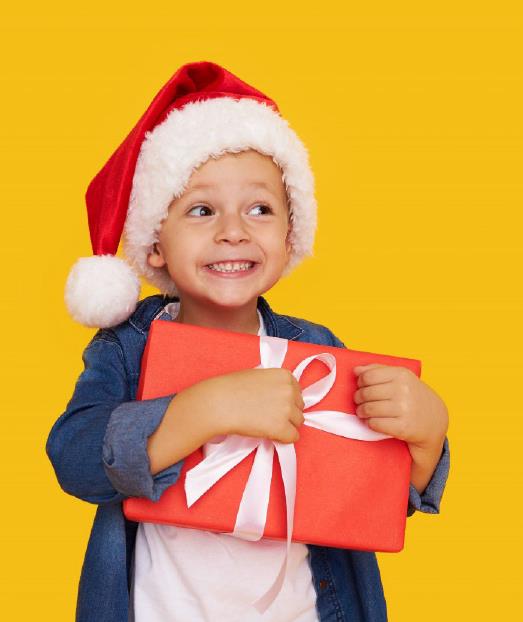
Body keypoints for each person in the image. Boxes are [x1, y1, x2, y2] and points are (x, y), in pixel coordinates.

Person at [46, 61, 451, 622]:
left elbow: (362, 500)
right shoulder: (126, 348)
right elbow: (75, 459)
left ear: (289, 236)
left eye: (259, 209)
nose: (233, 230)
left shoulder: (318, 355)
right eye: (202, 210)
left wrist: (426, 441)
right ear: (155, 244)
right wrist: (203, 410)